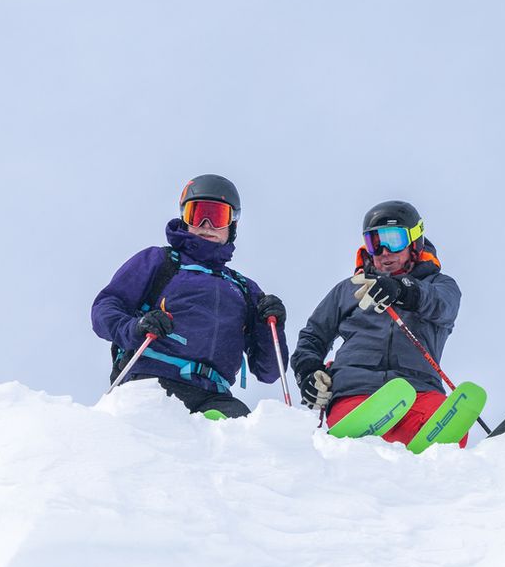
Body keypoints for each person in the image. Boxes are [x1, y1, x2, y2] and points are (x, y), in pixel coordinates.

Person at [92, 175, 288, 418]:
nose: (207, 225)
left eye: (216, 216)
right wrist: (136, 327)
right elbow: (104, 309)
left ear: (232, 225)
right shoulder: (160, 262)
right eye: (197, 214)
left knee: (247, 440)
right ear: (185, 219)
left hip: (214, 397)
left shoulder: (243, 289)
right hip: (151, 381)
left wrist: (272, 326)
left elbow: (268, 371)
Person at [291, 200, 462, 444]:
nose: (384, 251)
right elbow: (313, 335)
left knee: (435, 418)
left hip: (417, 389)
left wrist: (405, 291)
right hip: (356, 390)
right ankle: (361, 445)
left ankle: (436, 445)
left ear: (415, 242)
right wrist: (308, 371)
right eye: (374, 242)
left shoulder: (439, 285)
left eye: (393, 239)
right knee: (361, 428)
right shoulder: (348, 290)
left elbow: (444, 306)